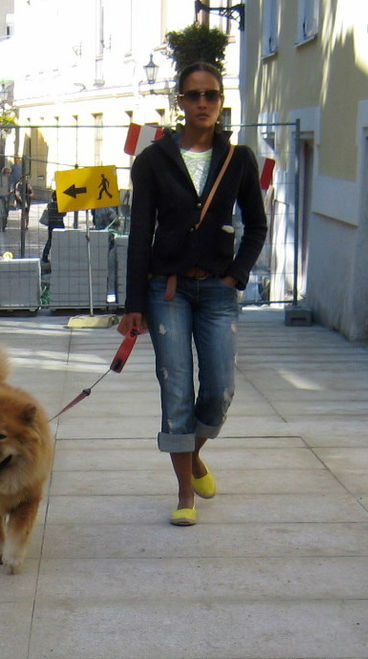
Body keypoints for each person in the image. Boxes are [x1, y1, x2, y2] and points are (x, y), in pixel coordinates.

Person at [118, 62, 268, 527]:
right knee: (176, 387)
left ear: (221, 102)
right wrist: (133, 306)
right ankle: (185, 491)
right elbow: (139, 234)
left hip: (219, 291)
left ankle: (194, 455)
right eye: (193, 95)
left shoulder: (239, 159)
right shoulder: (153, 161)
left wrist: (236, 276)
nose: (202, 103)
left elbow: (257, 225)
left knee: (220, 389)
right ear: (179, 102)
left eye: (211, 95)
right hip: (168, 292)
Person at [39, 190, 66, 263]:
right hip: (59, 224)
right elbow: (64, 214)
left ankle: (45, 256)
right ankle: (60, 256)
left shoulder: (49, 205)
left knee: (50, 240)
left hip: (51, 225)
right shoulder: (61, 205)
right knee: (61, 241)